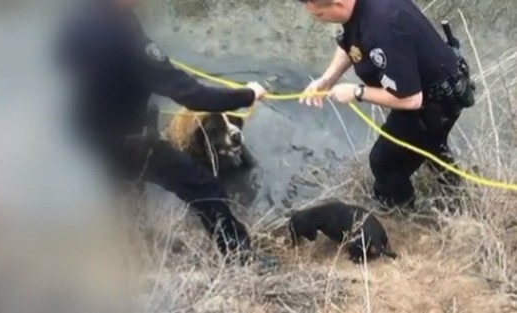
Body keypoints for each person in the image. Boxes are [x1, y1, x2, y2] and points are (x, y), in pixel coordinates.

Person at [56, 0, 268, 262]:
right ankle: (240, 258)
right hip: (128, 144)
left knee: (122, 197)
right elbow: (192, 94)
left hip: (87, 140)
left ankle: (130, 250)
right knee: (205, 189)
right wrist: (248, 95)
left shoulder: (79, 18)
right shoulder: (125, 37)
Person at [297, 0, 475, 210]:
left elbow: (411, 99)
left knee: (384, 162)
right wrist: (326, 80)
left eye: (319, 15)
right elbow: (352, 43)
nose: (317, 21)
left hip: (434, 103)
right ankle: (456, 194)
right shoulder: (358, 10)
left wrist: (356, 92)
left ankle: (399, 213)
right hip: (433, 88)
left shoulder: (383, 28)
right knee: (431, 145)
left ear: (338, 4)